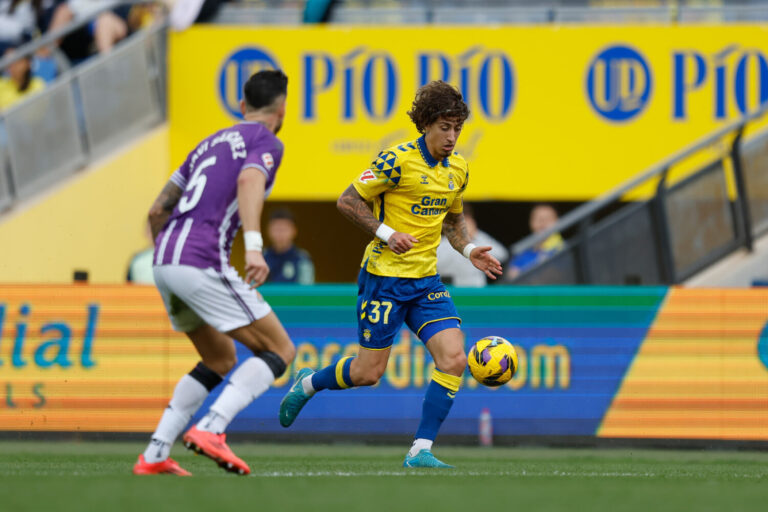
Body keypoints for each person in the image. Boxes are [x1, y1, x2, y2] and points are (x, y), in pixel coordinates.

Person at [279, 80, 502, 468]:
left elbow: (452, 221)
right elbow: (347, 200)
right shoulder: (396, 160)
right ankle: (309, 382)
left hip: (426, 282)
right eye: (445, 128)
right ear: (426, 124)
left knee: (453, 358)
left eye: (457, 129)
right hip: (384, 277)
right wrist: (387, 233)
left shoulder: (458, 170)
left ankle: (421, 450)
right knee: (368, 373)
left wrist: (468, 251)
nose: (452, 137)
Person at [133, 69, 296, 477]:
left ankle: (154, 454)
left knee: (219, 358)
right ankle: (212, 428)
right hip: (200, 257)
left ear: (242, 107)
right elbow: (249, 179)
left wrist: (169, 261)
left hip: (164, 258)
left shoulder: (207, 144)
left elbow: (157, 210)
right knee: (280, 350)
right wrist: (254, 248)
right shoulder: (267, 141)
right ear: (282, 107)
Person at [436, 203, 508, 287]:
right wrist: (463, 243)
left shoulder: (479, 239)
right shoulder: (441, 243)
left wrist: (475, 235)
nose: (464, 227)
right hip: (451, 290)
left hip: (477, 291)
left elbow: (502, 254)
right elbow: (438, 263)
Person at [505, 203, 564, 280]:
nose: (543, 222)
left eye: (548, 218)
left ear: (557, 222)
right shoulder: (522, 251)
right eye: (538, 218)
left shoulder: (565, 249)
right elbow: (511, 276)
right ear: (530, 222)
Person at [264, 209, 314, 285]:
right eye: (276, 229)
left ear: (294, 231)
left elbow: (307, 289)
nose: (280, 233)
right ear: (269, 230)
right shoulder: (261, 257)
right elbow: (253, 287)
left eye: (284, 229)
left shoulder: (302, 258)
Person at [0, 32, 45, 111]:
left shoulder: (38, 85)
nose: (12, 66)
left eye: (16, 61)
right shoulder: (1, 85)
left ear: (28, 63)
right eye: (8, 62)